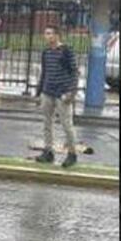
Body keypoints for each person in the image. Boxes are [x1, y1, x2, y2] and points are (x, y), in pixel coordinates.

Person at [34, 25, 79, 167]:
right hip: (48, 92)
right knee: (47, 123)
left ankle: (72, 154)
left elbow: (74, 72)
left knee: (67, 125)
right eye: (45, 33)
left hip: (63, 93)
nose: (46, 36)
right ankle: (48, 152)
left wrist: (72, 92)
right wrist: (39, 91)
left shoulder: (66, 51)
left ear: (57, 35)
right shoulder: (46, 52)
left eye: (49, 33)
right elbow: (44, 72)